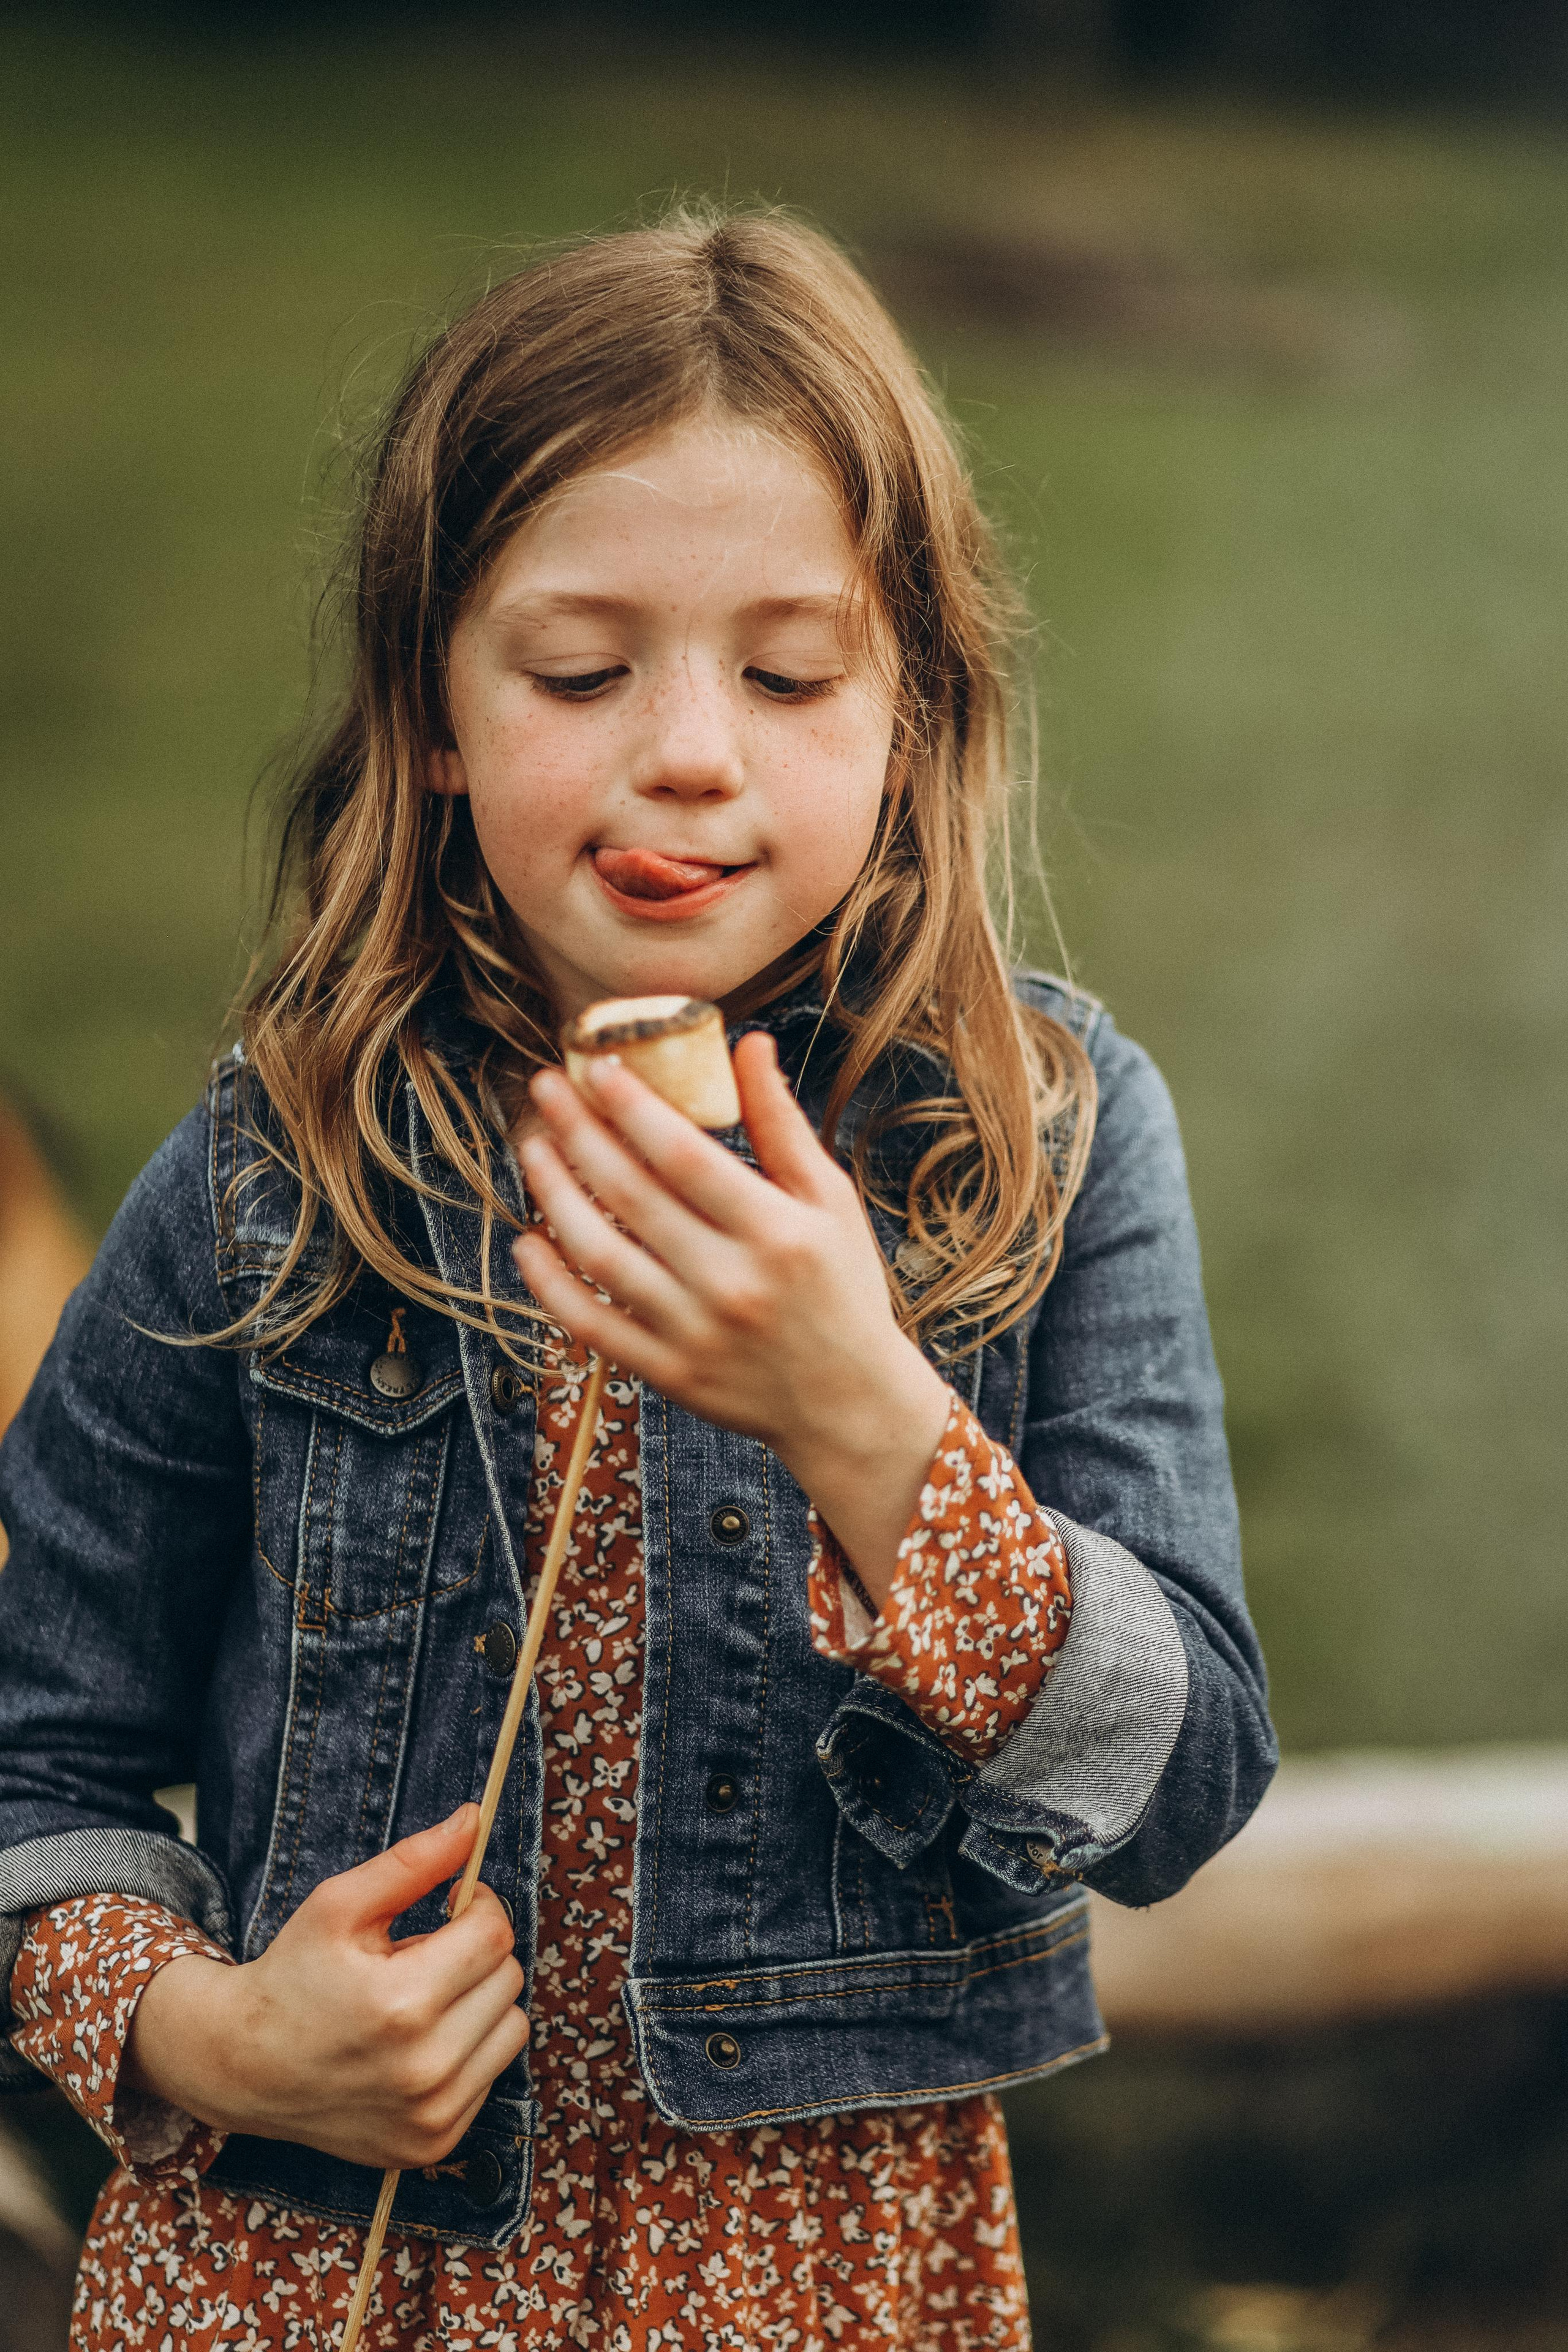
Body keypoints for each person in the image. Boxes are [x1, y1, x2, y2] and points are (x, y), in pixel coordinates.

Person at [0, 208, 1275, 2350]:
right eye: (583, 673)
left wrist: (868, 1418)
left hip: (819, 2277)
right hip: (331, 2271)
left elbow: (1183, 1787)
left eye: (789, 676)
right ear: (432, 713)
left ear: (910, 715)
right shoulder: (275, 1175)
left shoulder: (1038, 1145)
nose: (691, 747)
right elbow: (34, 1749)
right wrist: (211, 2036)